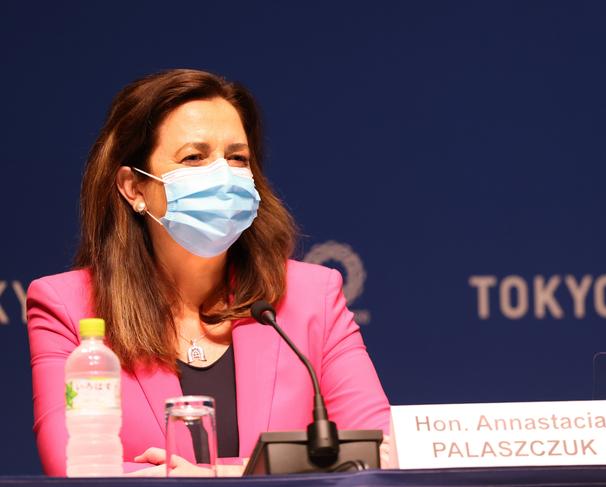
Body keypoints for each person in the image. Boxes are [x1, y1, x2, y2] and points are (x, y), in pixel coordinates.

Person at [26, 69, 390, 476]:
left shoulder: (310, 294)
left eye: (237, 158)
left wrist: (210, 476)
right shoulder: (66, 307)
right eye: (194, 158)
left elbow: (375, 450)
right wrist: (271, 472)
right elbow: (75, 464)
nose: (223, 175)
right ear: (133, 187)